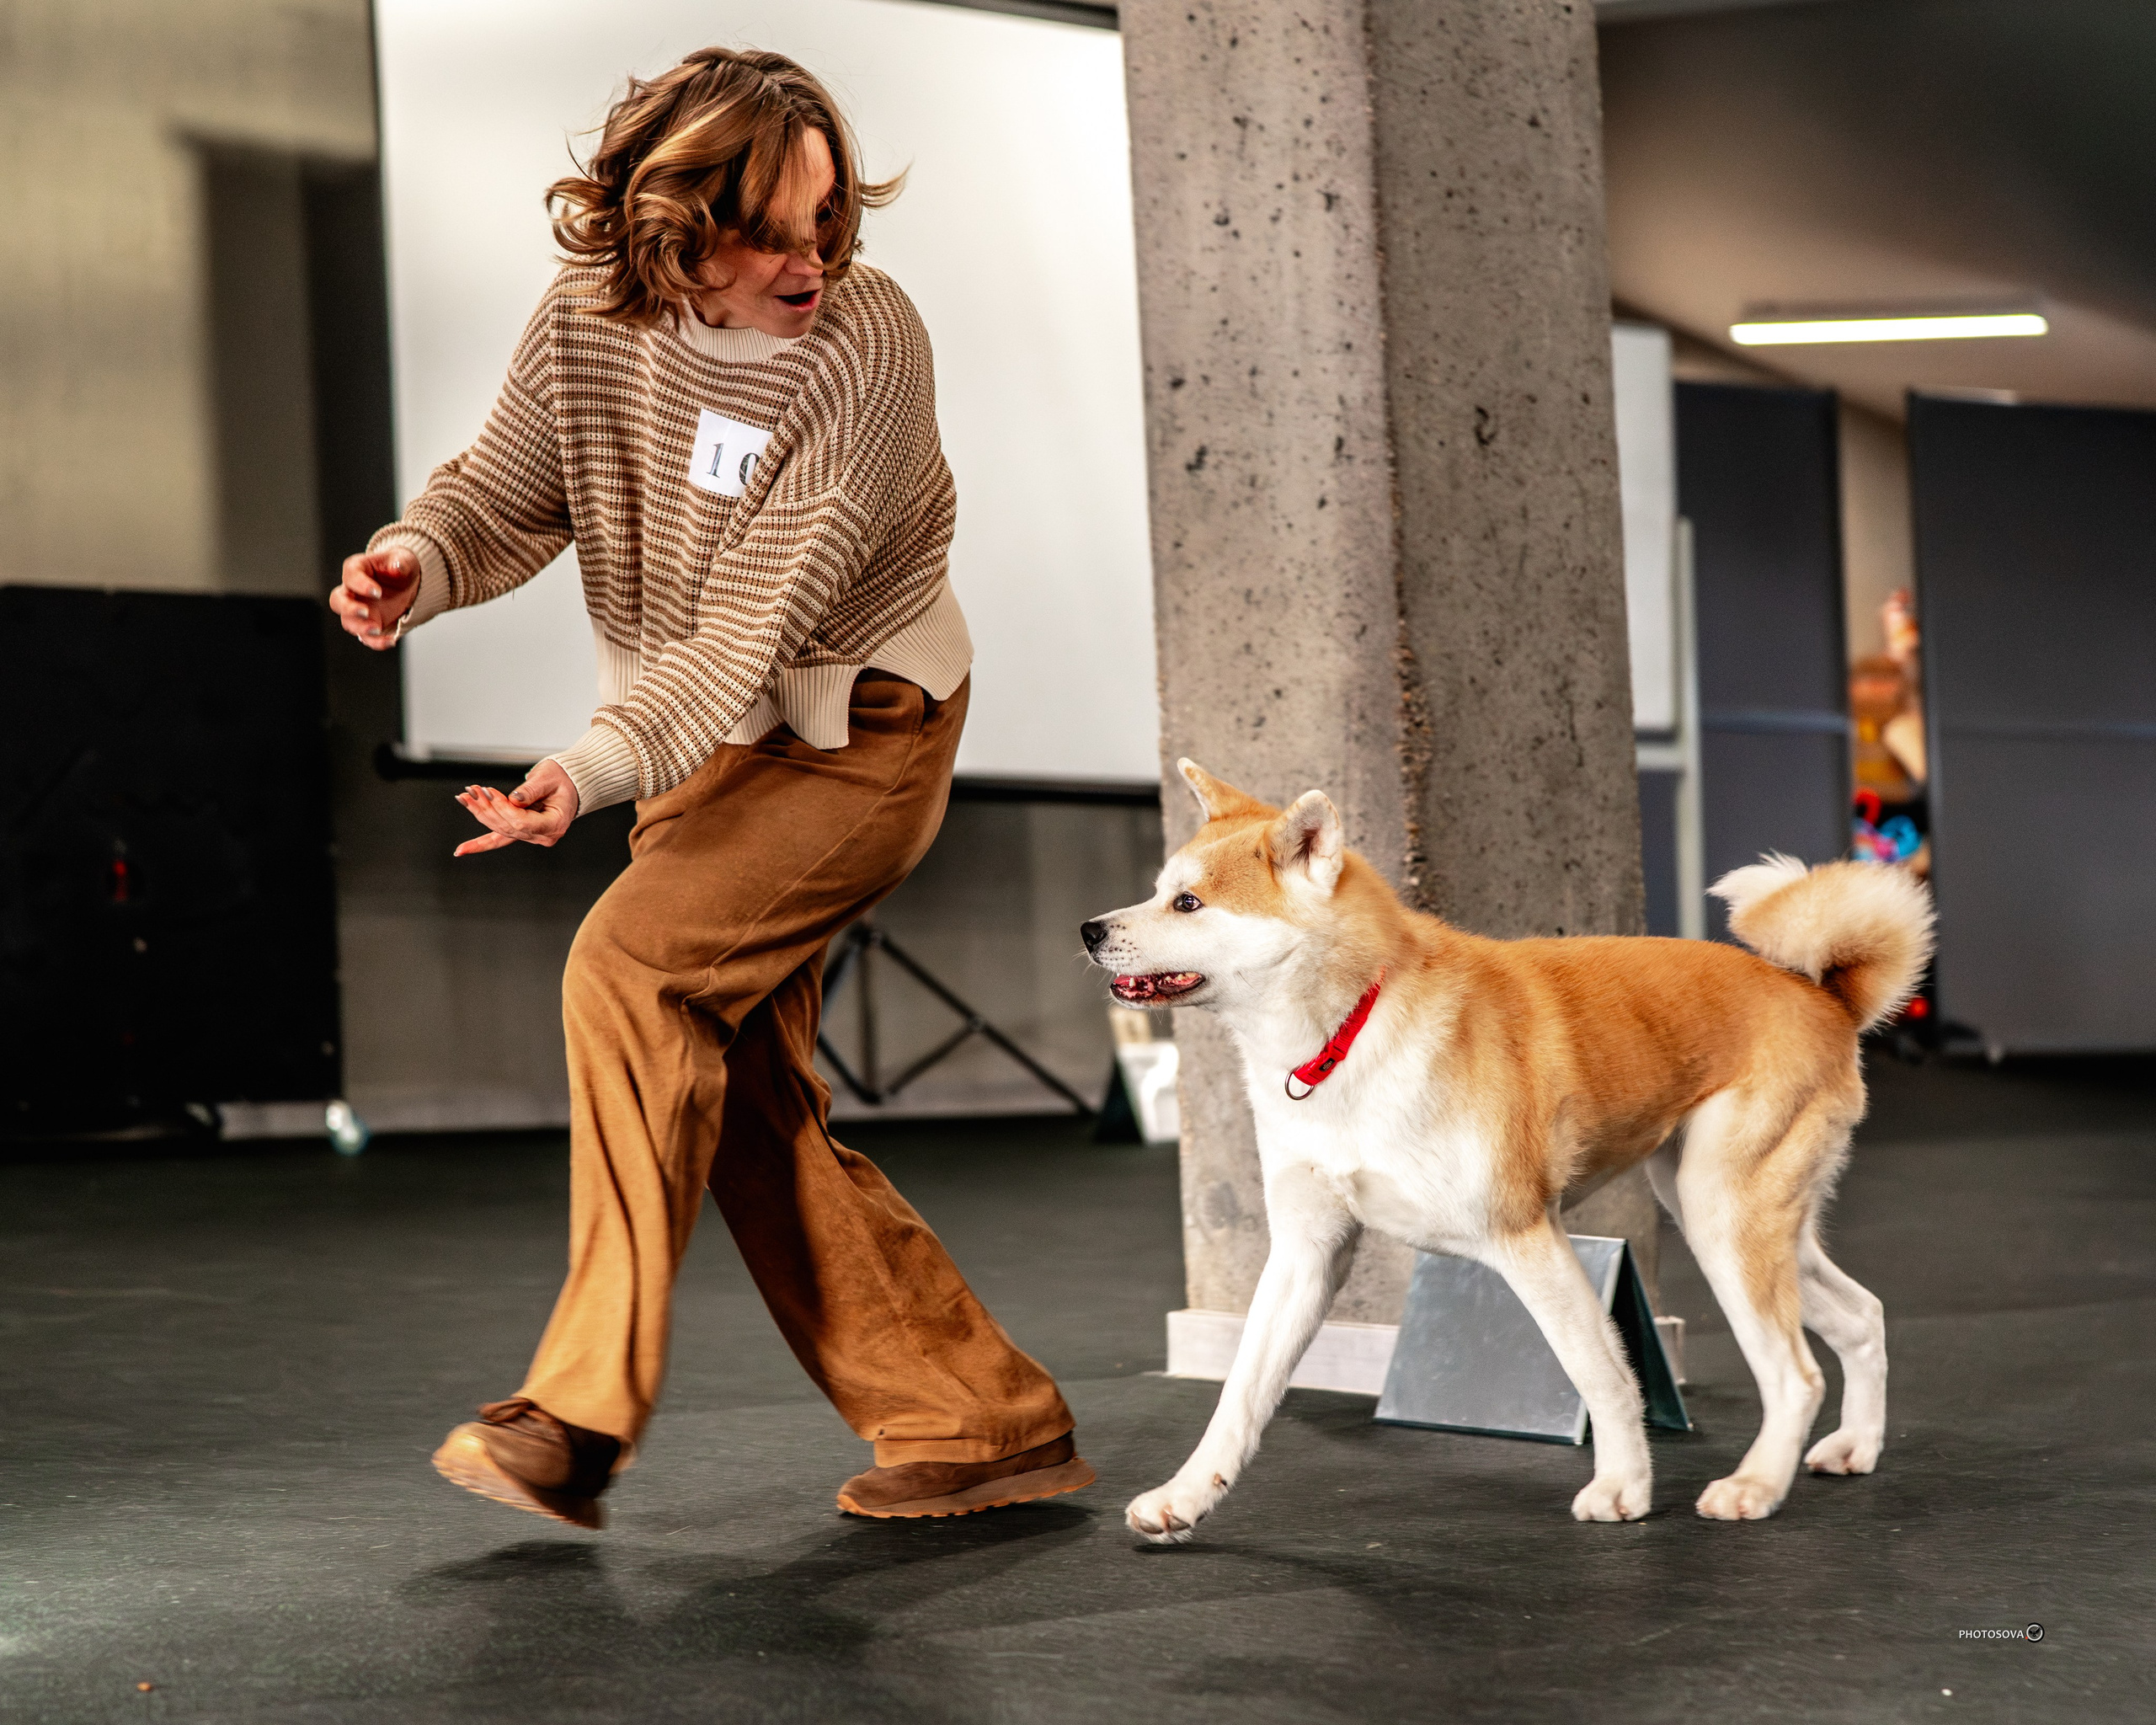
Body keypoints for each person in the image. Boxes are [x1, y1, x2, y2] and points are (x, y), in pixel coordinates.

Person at [328, 46, 1090, 1530]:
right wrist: (419, 559)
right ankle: (982, 1420)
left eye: (827, 223)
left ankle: (575, 1416)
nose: (811, 264)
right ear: (672, 230)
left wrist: (590, 769)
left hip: (858, 728)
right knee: (738, 1090)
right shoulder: (588, 318)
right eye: (769, 234)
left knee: (630, 968)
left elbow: (751, 626)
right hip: (704, 739)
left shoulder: (866, 343)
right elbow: (508, 488)